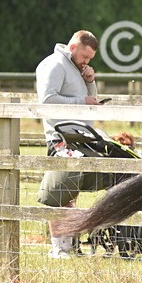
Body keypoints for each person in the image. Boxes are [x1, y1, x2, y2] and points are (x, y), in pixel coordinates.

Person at [35, 30, 105, 257]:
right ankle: (58, 248)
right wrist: (81, 100)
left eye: (90, 59)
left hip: (80, 137)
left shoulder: (75, 68)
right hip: (61, 138)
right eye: (85, 56)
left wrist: (90, 83)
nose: (86, 62)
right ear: (73, 47)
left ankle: (69, 245)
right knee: (60, 192)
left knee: (71, 192)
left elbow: (87, 101)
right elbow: (47, 99)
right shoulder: (54, 65)